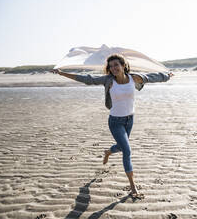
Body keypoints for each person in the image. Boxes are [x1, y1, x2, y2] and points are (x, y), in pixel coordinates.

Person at [52, 54, 172, 197]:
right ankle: (133, 186)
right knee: (127, 151)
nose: (113, 68)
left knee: (121, 147)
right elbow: (87, 79)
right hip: (115, 121)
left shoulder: (134, 78)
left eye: (116, 65)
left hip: (129, 120)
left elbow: (154, 77)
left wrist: (167, 75)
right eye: (111, 66)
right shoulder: (108, 80)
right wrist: (62, 73)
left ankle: (108, 152)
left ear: (123, 65)